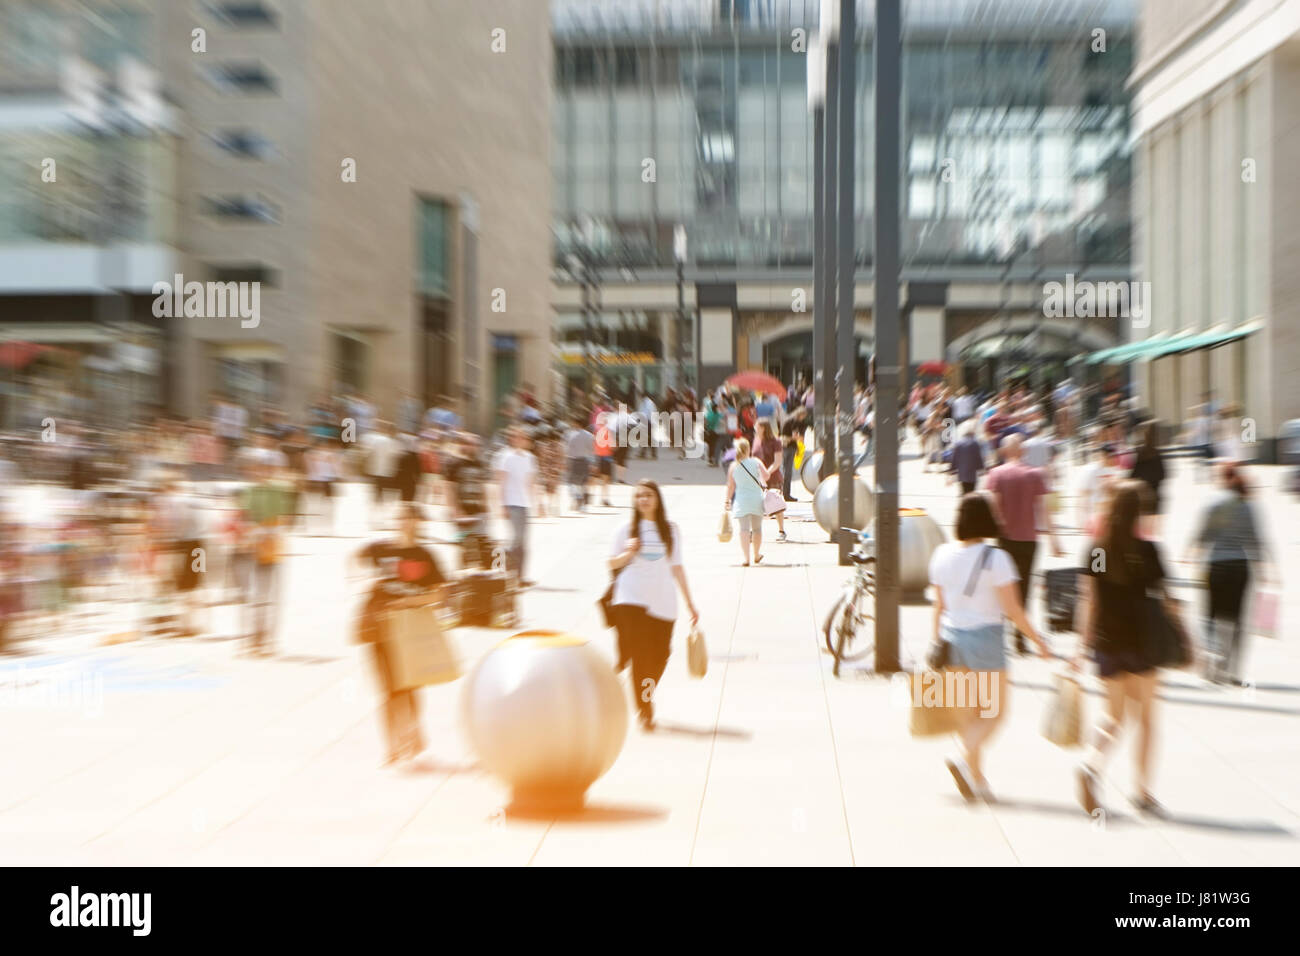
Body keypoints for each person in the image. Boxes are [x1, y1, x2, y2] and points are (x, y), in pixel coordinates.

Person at [929, 493, 1050, 802]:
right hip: (985, 640)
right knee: (995, 713)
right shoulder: (997, 559)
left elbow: (938, 607)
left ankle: (977, 780)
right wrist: (1038, 641)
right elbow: (1013, 610)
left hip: (950, 639)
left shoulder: (941, 554)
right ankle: (960, 758)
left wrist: (934, 642)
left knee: (968, 716)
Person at [1075, 480, 1173, 816]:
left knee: (1112, 716)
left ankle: (1090, 764)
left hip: (1107, 642)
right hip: (1143, 644)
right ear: (1140, 512)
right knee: (1145, 719)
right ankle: (1143, 793)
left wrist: (1080, 646)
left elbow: (1089, 600)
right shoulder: (1148, 551)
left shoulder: (1098, 550)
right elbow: (1166, 599)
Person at [355, 503, 448, 766]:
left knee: (408, 685)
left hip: (409, 628)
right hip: (380, 627)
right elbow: (355, 561)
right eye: (400, 518)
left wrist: (408, 602)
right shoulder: (381, 549)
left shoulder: (425, 555)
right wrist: (362, 581)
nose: (404, 522)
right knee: (387, 689)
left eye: (410, 518)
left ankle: (413, 732)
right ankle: (392, 747)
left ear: (419, 522)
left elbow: (439, 593)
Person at [608, 480, 699, 731]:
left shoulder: (671, 530)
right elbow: (611, 564)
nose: (643, 500)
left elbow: (677, 567)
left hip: (663, 600)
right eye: (639, 496)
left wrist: (691, 604)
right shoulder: (625, 530)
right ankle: (645, 708)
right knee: (641, 656)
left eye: (648, 495)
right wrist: (627, 554)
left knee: (660, 656)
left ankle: (640, 686)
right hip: (631, 596)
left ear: (657, 499)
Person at [1188, 463, 1274, 685]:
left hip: (1215, 567)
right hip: (1240, 567)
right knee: (1237, 621)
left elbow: (1203, 535)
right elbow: (1256, 539)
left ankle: (1213, 658)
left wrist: (1191, 553)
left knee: (1210, 616)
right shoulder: (1248, 506)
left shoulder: (1213, 503)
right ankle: (1233, 670)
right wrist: (1265, 568)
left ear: (1222, 478)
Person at [985, 434, 1061, 654]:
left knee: (1002, 588)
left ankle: (998, 635)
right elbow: (1045, 509)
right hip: (1029, 539)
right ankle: (1020, 639)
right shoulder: (1036, 474)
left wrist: (993, 531)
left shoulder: (996, 474)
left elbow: (992, 506)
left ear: (1004, 452)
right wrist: (1054, 539)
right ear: (1024, 451)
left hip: (1004, 539)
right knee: (1025, 589)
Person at [493, 426, 537, 588]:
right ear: (512, 439)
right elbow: (501, 482)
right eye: (518, 437)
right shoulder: (506, 457)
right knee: (516, 539)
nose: (521, 440)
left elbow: (530, 482)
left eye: (524, 437)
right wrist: (501, 504)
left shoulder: (530, 458)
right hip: (511, 503)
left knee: (523, 542)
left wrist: (537, 503)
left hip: (524, 504)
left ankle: (520, 577)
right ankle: (502, 559)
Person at [444, 432, 491, 569]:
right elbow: (448, 488)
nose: (474, 447)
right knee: (464, 549)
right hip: (461, 514)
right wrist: (455, 510)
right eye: (470, 444)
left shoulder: (480, 464)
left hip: (478, 513)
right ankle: (462, 579)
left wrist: (486, 508)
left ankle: (480, 581)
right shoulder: (453, 463)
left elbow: (482, 486)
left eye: (477, 445)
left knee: (482, 548)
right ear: (462, 445)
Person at [724, 437, 772, 567]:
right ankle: (756, 554)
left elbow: (731, 486)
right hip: (756, 499)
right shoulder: (756, 462)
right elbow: (767, 475)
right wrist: (760, 477)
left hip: (741, 501)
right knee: (757, 529)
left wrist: (727, 500)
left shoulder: (733, 466)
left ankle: (746, 558)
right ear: (748, 449)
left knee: (744, 529)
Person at [751, 420, 787, 542]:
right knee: (756, 504)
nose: (754, 427)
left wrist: (767, 472)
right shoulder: (755, 440)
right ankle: (754, 530)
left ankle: (781, 530)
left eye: (757, 426)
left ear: (763, 428)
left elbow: (777, 461)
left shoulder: (775, 442)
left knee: (776, 504)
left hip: (773, 477)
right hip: (758, 477)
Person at [1129, 420, 1166, 515]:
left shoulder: (1140, 453)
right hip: (1155, 497)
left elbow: (1133, 475)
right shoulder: (1158, 455)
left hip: (1142, 496)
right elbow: (1163, 475)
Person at [562, 415, 595, 512]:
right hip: (585, 460)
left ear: (576, 424)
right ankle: (584, 505)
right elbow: (592, 450)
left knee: (571, 482)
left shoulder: (570, 435)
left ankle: (577, 497)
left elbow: (567, 450)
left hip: (573, 461)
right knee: (584, 483)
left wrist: (565, 461)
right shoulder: (589, 436)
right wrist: (592, 463)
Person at [949, 420, 985, 494]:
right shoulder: (975, 443)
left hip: (962, 474)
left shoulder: (958, 443)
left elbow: (954, 458)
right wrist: (981, 469)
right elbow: (978, 458)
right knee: (971, 493)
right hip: (972, 475)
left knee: (964, 492)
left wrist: (952, 470)